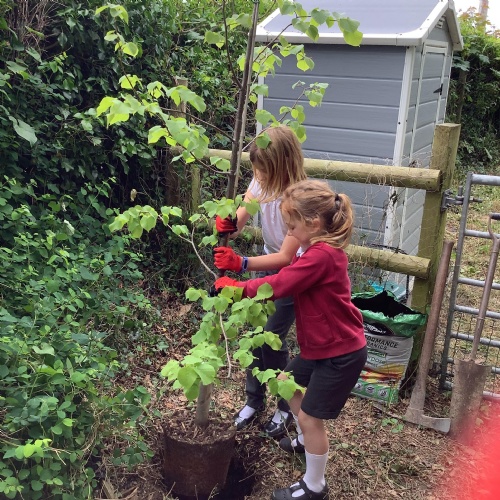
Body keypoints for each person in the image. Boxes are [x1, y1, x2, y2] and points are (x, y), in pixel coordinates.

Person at [214, 179, 367, 500]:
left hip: (340, 352)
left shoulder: (321, 257)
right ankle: (304, 439)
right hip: (320, 347)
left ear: (313, 224)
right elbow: (284, 272)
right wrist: (241, 263)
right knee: (285, 383)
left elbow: (281, 284)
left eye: (292, 226)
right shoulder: (312, 248)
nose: (288, 231)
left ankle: (315, 485)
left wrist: (236, 288)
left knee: (311, 417)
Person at [214, 125, 307, 438]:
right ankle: (254, 401)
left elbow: (286, 258)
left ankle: (285, 406)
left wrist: (240, 263)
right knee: (254, 333)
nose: (257, 174)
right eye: (255, 168)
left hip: (293, 274)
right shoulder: (260, 180)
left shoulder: (299, 198)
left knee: (271, 336)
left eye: (263, 169)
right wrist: (228, 224)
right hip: (265, 264)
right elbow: (241, 217)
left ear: (281, 165)